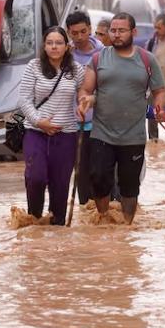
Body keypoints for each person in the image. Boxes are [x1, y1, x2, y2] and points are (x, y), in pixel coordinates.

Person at [77, 12, 165, 224]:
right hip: (102, 133)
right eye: (113, 30)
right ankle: (104, 219)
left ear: (133, 32)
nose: (116, 35)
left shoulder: (147, 59)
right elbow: (86, 88)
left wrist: (160, 106)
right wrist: (84, 100)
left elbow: (160, 90)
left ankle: (127, 226)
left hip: (133, 135)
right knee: (99, 180)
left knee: (129, 187)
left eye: (121, 30)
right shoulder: (98, 58)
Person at [19, 26, 85, 226]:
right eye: (50, 43)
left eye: (58, 43)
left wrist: (82, 104)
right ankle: (34, 221)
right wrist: (40, 121)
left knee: (60, 186)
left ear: (67, 46)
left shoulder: (76, 70)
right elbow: (24, 100)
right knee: (36, 177)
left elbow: (83, 93)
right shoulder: (34, 66)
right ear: (44, 46)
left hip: (66, 136)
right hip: (36, 132)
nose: (54, 47)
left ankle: (57, 233)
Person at [65, 11, 104, 205]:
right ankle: (85, 211)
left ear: (90, 29)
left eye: (83, 31)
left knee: (100, 172)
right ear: (69, 33)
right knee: (80, 172)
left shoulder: (103, 54)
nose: (79, 37)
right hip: (73, 124)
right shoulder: (65, 55)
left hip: (100, 124)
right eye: (74, 33)